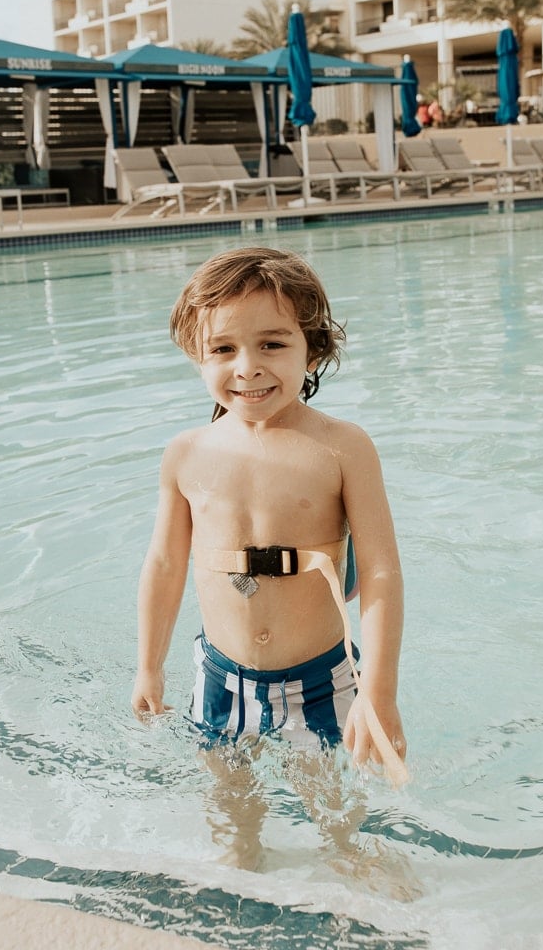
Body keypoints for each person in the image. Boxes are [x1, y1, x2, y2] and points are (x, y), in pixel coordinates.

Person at [131, 246, 406, 789]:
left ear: (313, 348)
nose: (247, 366)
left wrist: (380, 690)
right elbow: (164, 564)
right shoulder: (186, 453)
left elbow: (380, 571)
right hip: (220, 679)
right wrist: (149, 665)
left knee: (335, 817)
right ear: (197, 355)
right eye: (223, 348)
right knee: (231, 818)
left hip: (323, 681)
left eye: (272, 344)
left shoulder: (343, 448)